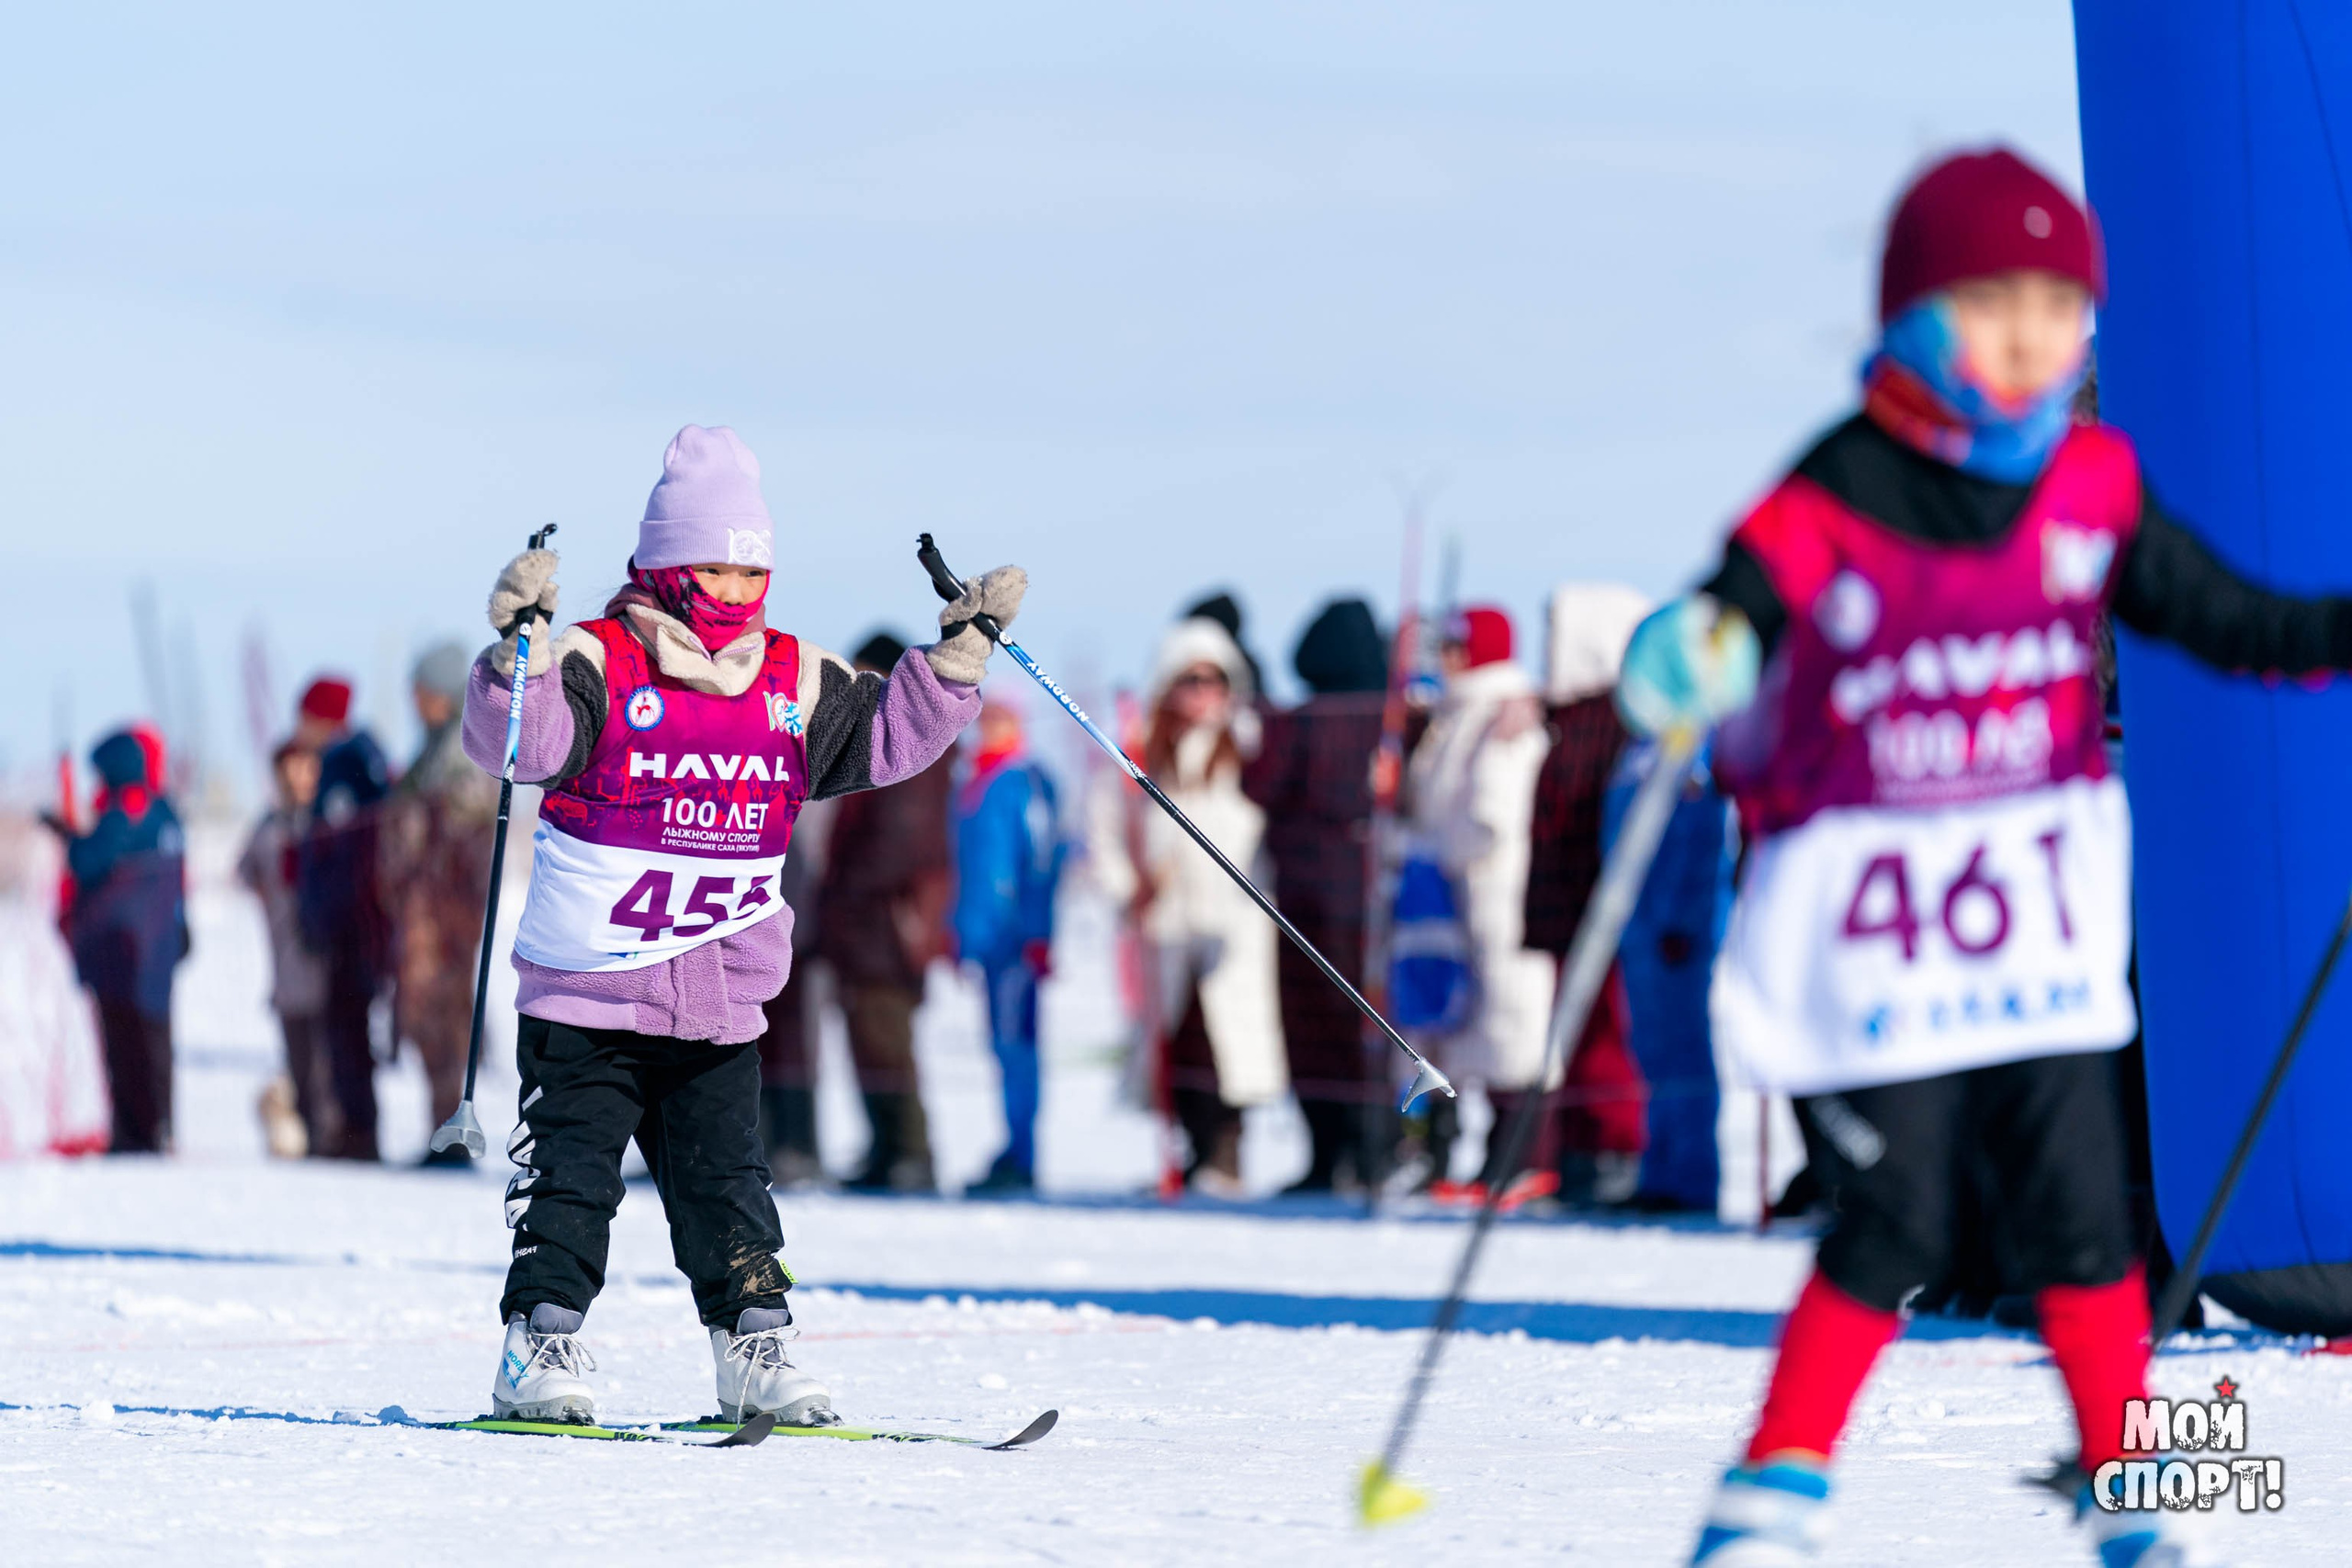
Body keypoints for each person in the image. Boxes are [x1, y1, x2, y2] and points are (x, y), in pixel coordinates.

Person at [1633, 149, 2352, 1567]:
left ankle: (2124, 1483)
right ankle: (1776, 1480)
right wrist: (1688, 654)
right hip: (1883, 912)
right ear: (1910, 317)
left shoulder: (2090, 479)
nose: (2026, 339)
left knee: (2087, 1218)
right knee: (1896, 1210)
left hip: (2037, 919)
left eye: (2056, 305)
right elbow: (1733, 610)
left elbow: (2217, 614)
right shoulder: (1847, 480)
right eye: (1987, 305)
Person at [460, 423, 1020, 1427]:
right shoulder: (597, 658)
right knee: (570, 1190)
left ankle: (753, 1347)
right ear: (667, 563)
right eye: (708, 564)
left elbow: (887, 740)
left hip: (719, 1000)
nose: (728, 586)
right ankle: (539, 1342)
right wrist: (521, 664)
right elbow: (529, 748)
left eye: (744, 565)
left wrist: (957, 666)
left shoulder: (796, 679)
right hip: (590, 991)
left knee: (731, 1193)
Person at [1091, 615, 1287, 1195]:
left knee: (1234, 1040)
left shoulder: (1250, 745)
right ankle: (1190, 1150)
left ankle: (1227, 1155)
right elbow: (1105, 831)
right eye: (1192, 680)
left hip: (1236, 919)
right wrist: (1127, 890)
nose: (1205, 694)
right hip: (1166, 920)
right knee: (1177, 1041)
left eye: (1215, 681)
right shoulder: (1138, 750)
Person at [1399, 606, 1557, 1198]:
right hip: (1454, 891)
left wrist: (1448, 848)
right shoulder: (1454, 713)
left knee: (1511, 1018)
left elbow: (1497, 809)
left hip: (1498, 886)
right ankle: (1466, 1152)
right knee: (1465, 1023)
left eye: (1457, 646)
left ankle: (1519, 1153)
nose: (1447, 658)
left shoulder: (1501, 711)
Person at [1241, 596, 1392, 1193]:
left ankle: (1335, 1153)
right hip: (1369, 897)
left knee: (1318, 1031)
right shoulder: (1393, 716)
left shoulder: (1301, 721)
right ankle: (1371, 1151)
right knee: (1365, 1027)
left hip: (1307, 902)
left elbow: (1261, 784)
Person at [813, 629, 959, 1194]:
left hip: (887, 921)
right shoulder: (881, 739)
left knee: (887, 1039)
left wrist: (852, 893)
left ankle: (910, 1153)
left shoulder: (912, 746)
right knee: (868, 1037)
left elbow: (899, 844)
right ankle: (885, 1147)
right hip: (869, 920)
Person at [1521, 584, 1654, 1207]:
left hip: (1598, 909)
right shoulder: (1568, 723)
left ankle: (1611, 1153)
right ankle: (1576, 1149)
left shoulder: (1619, 723)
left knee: (1607, 1041)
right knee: (1573, 1042)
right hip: (1566, 907)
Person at [381, 642, 501, 1166]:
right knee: (426, 1014)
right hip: (426, 911)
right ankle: (441, 1126)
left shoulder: (463, 748)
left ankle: (452, 1132)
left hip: (448, 915)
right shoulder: (429, 750)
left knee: (443, 1014)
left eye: (423, 691)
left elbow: (470, 821)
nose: (415, 701)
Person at [952, 686, 1064, 1192]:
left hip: (1016, 940)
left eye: (1002, 716)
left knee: (1018, 1047)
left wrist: (1038, 932)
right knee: (999, 1046)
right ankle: (1012, 1146)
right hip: (987, 940)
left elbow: (1042, 862)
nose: (991, 725)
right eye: (986, 716)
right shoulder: (974, 780)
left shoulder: (1026, 782)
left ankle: (1023, 1153)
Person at [56, 726, 187, 1154]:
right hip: (157, 953)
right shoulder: (165, 811)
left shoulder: (122, 811)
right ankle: (161, 1126)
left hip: (120, 958)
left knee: (125, 1048)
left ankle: (136, 1131)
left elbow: (88, 863)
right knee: (156, 1045)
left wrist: (68, 835)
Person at [295, 677, 391, 1161]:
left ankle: (359, 1133)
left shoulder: (346, 762)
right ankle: (355, 1129)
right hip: (352, 920)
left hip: (352, 924)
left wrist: (329, 911)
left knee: (348, 1026)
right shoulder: (360, 758)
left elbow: (348, 852)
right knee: (346, 1026)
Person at [239, 741, 332, 1156]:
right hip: (287, 964)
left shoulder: (328, 819)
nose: (299, 778)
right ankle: (312, 1135)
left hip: (329, 963)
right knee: (300, 1060)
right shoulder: (269, 828)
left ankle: (335, 1138)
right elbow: (243, 871)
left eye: (306, 768)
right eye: (290, 770)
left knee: (329, 1061)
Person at [753, 792, 833, 1188]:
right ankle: (765, 1144)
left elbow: (815, 863)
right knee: (761, 1048)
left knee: (796, 1047)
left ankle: (799, 1147)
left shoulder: (808, 777)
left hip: (797, 938)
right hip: (763, 937)